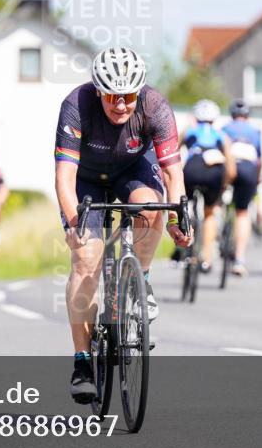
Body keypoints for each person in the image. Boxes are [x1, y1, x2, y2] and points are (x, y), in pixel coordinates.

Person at [54, 47, 191, 403]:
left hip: (132, 171)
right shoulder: (76, 105)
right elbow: (64, 179)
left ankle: (141, 277)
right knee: (86, 260)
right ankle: (83, 361)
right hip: (86, 179)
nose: (121, 105)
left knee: (150, 208)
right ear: (98, 90)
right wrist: (74, 226)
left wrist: (177, 218)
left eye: (129, 96)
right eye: (113, 97)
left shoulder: (154, 106)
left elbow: (173, 173)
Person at [174, 99, 233, 273]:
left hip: (192, 168)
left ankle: (184, 241)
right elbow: (230, 168)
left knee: (183, 205)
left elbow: (172, 153)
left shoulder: (189, 131)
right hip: (214, 171)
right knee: (209, 214)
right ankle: (206, 258)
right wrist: (225, 184)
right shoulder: (221, 135)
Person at [221, 99, 262, 277]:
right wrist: (257, 179)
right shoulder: (254, 131)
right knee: (242, 213)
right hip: (248, 169)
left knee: (213, 203)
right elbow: (260, 160)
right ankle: (239, 259)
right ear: (248, 116)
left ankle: (213, 239)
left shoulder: (225, 128)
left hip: (228, 167)